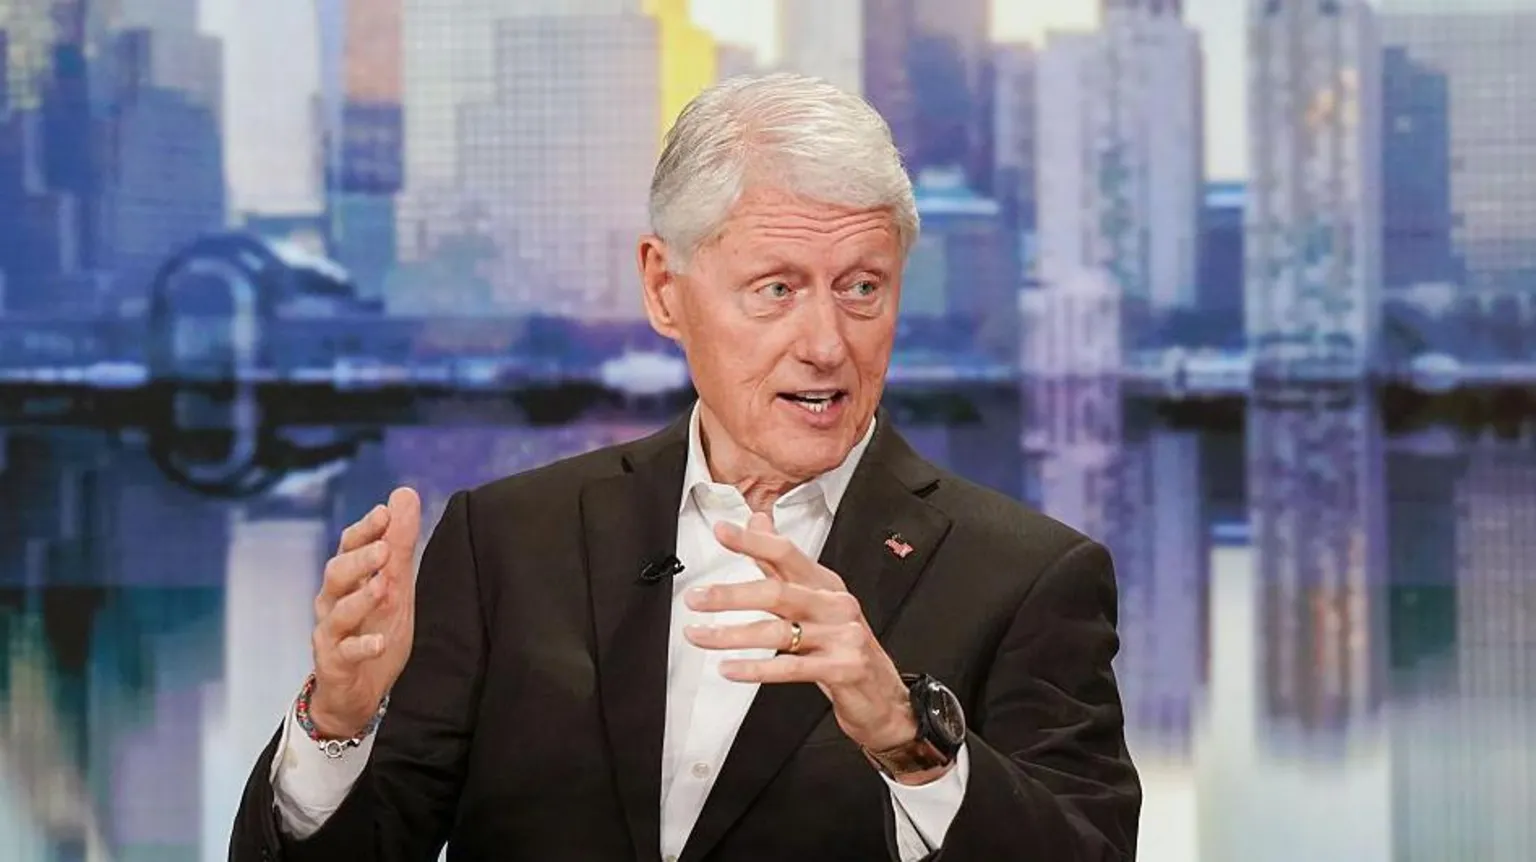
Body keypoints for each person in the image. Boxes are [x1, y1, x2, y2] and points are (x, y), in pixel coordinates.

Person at [229, 72, 1141, 862]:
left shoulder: (1027, 578)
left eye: (862, 287)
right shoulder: (507, 540)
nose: (826, 344)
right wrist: (337, 725)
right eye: (776, 289)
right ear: (665, 288)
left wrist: (913, 743)